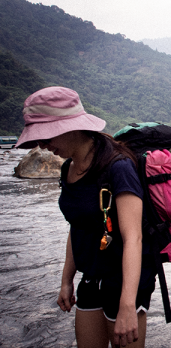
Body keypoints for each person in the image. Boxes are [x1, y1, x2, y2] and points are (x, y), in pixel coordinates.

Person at [15, 86, 155, 347]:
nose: (42, 145)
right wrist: (66, 280)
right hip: (90, 275)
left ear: (71, 127)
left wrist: (127, 305)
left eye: (46, 136)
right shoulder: (68, 168)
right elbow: (76, 226)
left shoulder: (118, 166)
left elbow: (133, 238)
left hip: (124, 279)